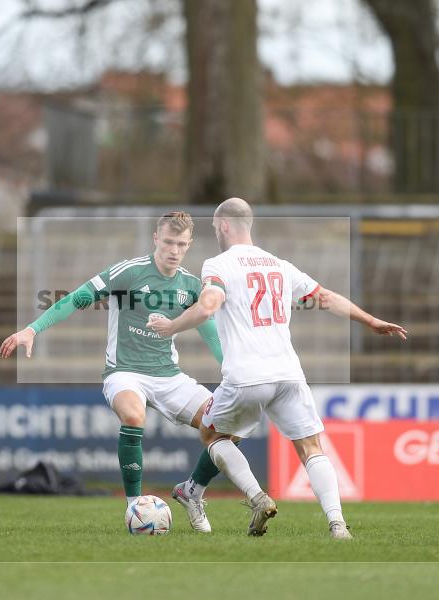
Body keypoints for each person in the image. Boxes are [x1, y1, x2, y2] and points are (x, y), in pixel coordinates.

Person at [148, 198, 408, 539]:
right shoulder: (280, 265)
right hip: (288, 373)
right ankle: (337, 524)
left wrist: (172, 326)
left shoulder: (219, 264)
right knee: (312, 447)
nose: (215, 232)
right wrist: (370, 320)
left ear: (224, 225)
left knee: (213, 435)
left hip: (246, 375)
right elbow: (325, 297)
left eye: (214, 227)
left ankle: (257, 497)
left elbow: (209, 305)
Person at [0, 212, 226, 533]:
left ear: (188, 245)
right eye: (168, 242)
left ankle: (192, 492)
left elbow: (211, 332)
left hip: (169, 375)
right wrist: (33, 330)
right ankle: (135, 506)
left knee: (224, 424)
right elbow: (77, 298)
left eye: (181, 244)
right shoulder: (128, 272)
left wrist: (231, 369)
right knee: (134, 416)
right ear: (155, 239)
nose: (174, 250)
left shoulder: (190, 285)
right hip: (125, 372)